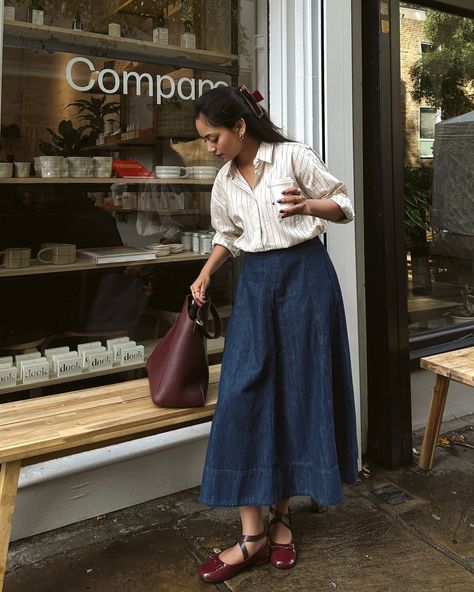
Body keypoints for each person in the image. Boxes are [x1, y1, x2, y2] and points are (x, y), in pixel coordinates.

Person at [190, 85, 358, 583]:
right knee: (242, 396)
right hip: (257, 286)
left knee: (294, 393)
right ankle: (252, 535)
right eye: (202, 139)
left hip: (306, 282)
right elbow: (228, 234)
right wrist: (203, 275)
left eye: (212, 136)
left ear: (239, 126)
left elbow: (344, 203)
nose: (208, 147)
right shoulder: (223, 181)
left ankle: (280, 518)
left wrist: (308, 205)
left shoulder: (293, 157)